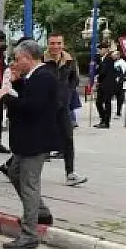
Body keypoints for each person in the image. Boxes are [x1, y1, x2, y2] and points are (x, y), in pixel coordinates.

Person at [0, 39, 63, 249]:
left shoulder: (43, 77)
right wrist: (17, 83)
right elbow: (29, 95)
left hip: (35, 140)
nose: (15, 63)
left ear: (28, 58)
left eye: (18, 59)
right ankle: (40, 211)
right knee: (13, 172)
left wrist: (6, 97)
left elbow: (31, 106)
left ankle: (30, 233)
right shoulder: (33, 77)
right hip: (26, 141)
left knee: (29, 184)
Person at [43, 33, 87, 186]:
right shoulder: (41, 60)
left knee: (68, 138)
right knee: (38, 139)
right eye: (52, 43)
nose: (55, 46)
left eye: (58, 43)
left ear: (63, 44)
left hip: (63, 107)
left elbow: (74, 79)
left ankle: (70, 174)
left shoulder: (69, 60)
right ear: (48, 44)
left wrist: (67, 92)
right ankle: (11, 166)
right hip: (44, 108)